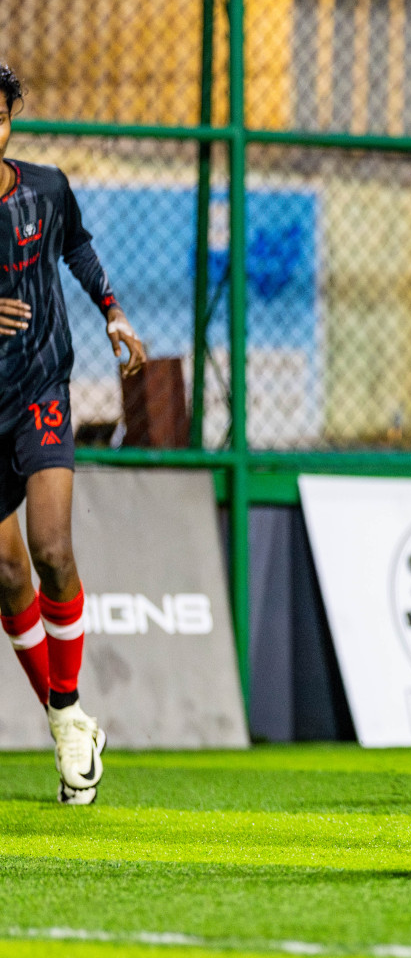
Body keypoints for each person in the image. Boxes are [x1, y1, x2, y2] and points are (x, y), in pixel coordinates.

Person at [0, 62, 148, 804]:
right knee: (5, 573)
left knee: (53, 548)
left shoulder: (46, 187)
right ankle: (69, 717)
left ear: (9, 121)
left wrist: (113, 312)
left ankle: (64, 714)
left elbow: (77, 247)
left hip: (38, 392)